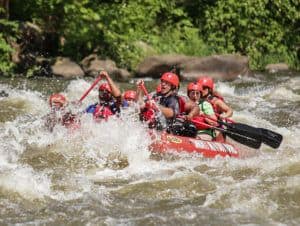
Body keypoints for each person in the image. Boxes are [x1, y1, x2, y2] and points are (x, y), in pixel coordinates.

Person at [138, 72, 197, 137]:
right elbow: (141, 105)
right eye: (162, 81)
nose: (163, 84)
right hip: (158, 126)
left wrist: (156, 106)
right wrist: (139, 89)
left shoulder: (174, 99)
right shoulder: (157, 96)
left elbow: (171, 113)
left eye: (166, 83)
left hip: (171, 128)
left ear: (173, 86)